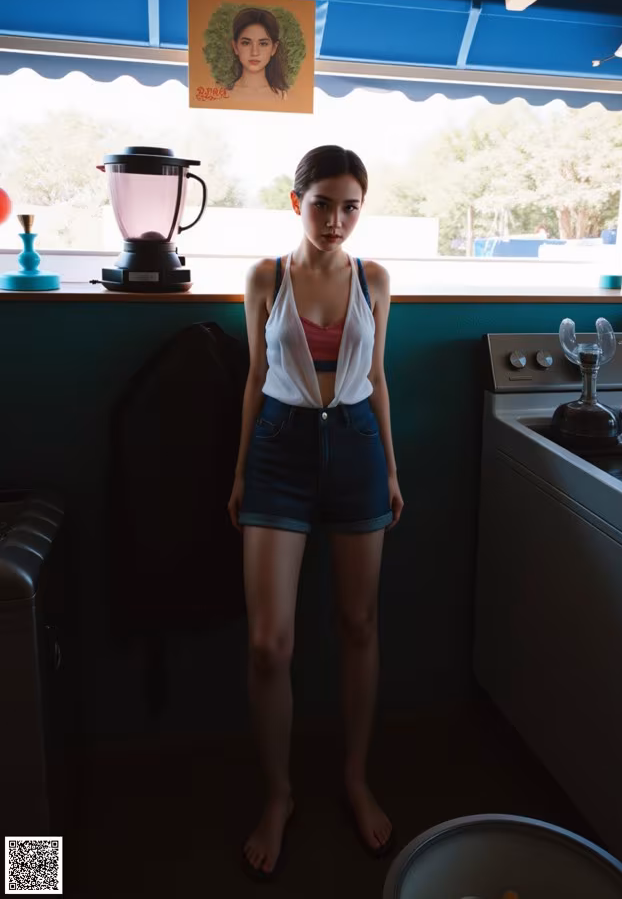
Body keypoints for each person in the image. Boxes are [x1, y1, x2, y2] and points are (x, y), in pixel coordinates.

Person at [227, 145, 404, 881]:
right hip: (278, 451)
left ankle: (355, 778)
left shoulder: (375, 279)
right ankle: (279, 796)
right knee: (270, 643)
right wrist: (240, 471)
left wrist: (391, 467)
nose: (337, 220)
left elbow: (379, 377)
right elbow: (255, 377)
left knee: (359, 624)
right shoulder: (266, 276)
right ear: (295, 200)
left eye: (351, 206)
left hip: (358, 448)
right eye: (323, 203)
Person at [226, 8, 289, 103]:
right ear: (235, 47)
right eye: (246, 43)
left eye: (263, 44)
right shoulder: (223, 93)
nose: (254, 52)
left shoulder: (283, 97)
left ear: (274, 48)